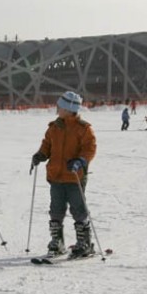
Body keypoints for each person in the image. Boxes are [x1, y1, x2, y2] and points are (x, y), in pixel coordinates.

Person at [30, 91, 97, 258]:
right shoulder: (54, 127)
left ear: (68, 109)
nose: (57, 108)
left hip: (74, 176)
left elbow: (90, 148)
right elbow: (47, 145)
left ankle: (84, 242)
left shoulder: (84, 128)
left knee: (78, 209)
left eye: (60, 106)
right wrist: (41, 155)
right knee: (56, 209)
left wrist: (81, 161)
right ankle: (57, 241)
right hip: (56, 176)